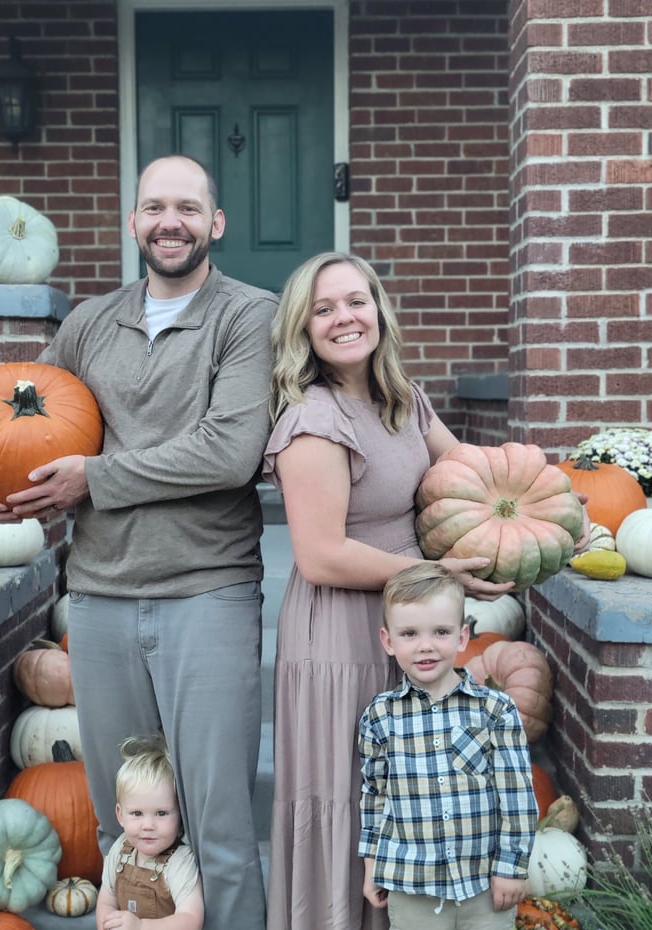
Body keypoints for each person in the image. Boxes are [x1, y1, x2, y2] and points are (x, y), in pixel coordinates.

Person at [0, 154, 278, 930]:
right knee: (119, 823)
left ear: (215, 224)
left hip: (208, 590)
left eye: (189, 209)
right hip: (98, 598)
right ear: (133, 222)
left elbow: (227, 451)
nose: (172, 222)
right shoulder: (91, 323)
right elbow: (23, 427)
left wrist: (94, 477)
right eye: (155, 207)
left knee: (218, 823)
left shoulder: (248, 316)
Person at [263, 250, 528, 930]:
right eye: (324, 310)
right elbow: (320, 556)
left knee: (414, 783)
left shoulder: (402, 398)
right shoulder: (313, 420)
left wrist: (536, 506)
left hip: (411, 617)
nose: (344, 318)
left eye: (356, 301)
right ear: (304, 330)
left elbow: (464, 464)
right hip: (344, 627)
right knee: (351, 788)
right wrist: (439, 576)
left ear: (379, 308)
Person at [359, 562, 538, 929]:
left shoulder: (494, 710)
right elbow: (374, 798)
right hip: (413, 887)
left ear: (462, 637)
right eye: (409, 633)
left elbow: (517, 795)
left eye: (440, 631)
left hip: (484, 886)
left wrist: (511, 868)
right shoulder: (380, 716)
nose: (426, 646)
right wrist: (373, 866)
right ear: (388, 641)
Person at [97, 735, 204, 930]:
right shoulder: (120, 851)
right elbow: (107, 900)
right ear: (120, 815)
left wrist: (140, 926)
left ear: (180, 815)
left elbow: (190, 919)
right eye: (137, 813)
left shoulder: (179, 862)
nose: (148, 825)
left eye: (161, 813)